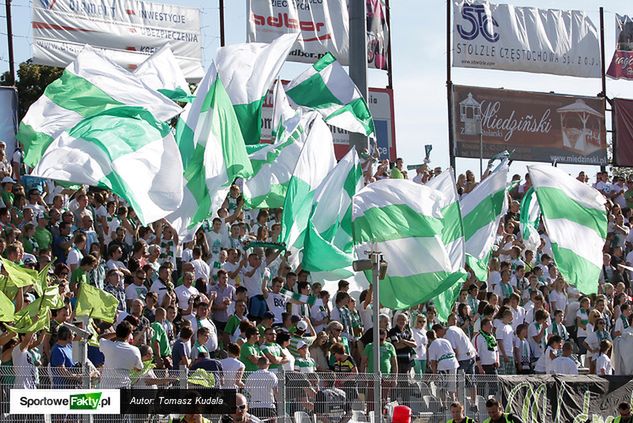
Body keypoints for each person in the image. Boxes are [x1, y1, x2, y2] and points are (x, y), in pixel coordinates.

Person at [99, 321, 143, 388]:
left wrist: (116, 333)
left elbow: (100, 338)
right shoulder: (135, 350)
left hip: (107, 387)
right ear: (129, 334)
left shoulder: (108, 346)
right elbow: (139, 368)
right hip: (124, 387)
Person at [244, 357, 278, 422]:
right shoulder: (272, 376)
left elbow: (246, 392)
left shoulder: (250, 376)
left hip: (254, 406)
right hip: (269, 406)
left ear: (258, 364)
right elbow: (276, 392)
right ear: (267, 364)